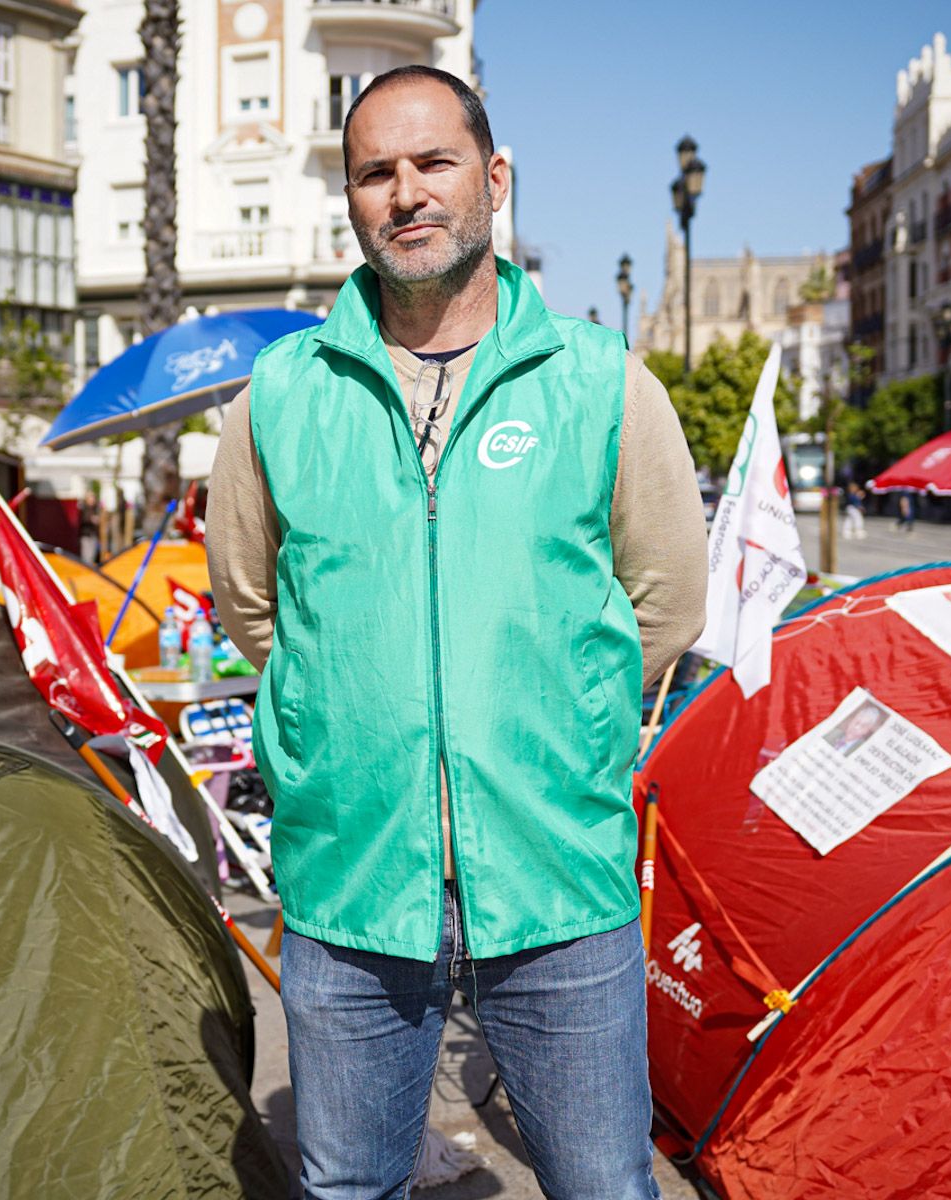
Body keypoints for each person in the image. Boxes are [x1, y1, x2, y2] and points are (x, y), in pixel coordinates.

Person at [206, 65, 704, 1199]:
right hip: (352, 882)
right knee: (347, 1188)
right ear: (350, 199)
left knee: (601, 1184)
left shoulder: (601, 384)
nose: (407, 193)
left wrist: (560, 743)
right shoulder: (279, 396)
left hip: (556, 878)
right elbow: (253, 606)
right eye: (375, 172)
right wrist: (334, 742)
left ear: (494, 177)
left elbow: (667, 598)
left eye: (433, 162)